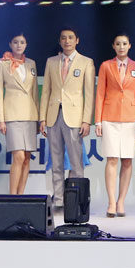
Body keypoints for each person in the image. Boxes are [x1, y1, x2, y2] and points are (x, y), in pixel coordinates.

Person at [39, 26, 95, 209]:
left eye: (71, 38)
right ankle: (59, 200)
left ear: (77, 40)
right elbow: (45, 91)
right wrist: (42, 119)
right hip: (54, 115)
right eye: (64, 38)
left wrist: (86, 120)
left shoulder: (86, 62)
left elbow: (89, 93)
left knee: (76, 162)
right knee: (56, 161)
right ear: (60, 41)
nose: (67, 41)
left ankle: (76, 200)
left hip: (75, 117)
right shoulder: (51, 61)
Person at [95, 33, 135, 217]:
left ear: (129, 45)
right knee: (112, 159)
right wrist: (98, 120)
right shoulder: (106, 66)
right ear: (113, 46)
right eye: (118, 44)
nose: (121, 47)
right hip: (109, 117)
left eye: (124, 43)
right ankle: (110, 202)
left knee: (127, 160)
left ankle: (121, 201)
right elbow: (100, 93)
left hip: (130, 119)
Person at [0, 33, 39, 195]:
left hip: (30, 115)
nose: (19, 45)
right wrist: (1, 119)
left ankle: (21, 197)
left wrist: (39, 118)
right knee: (18, 156)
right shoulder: (2, 64)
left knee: (27, 157)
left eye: (22, 42)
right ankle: (12, 196)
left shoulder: (31, 64)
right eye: (15, 42)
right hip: (12, 115)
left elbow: (35, 93)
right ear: (10, 44)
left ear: (26, 44)